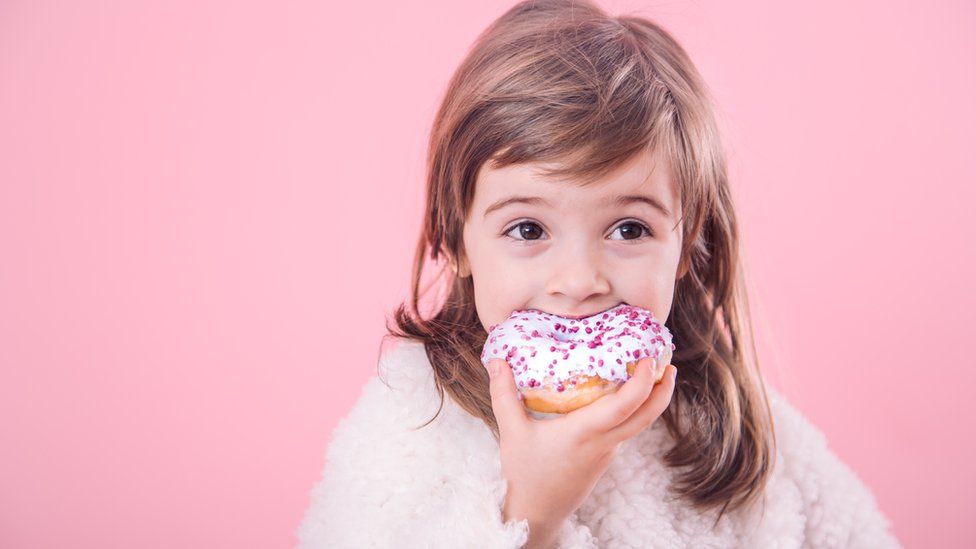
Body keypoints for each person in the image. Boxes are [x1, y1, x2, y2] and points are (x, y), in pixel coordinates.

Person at [295, 0, 901, 547]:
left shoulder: (733, 422)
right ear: (457, 241)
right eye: (528, 230)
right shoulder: (411, 419)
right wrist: (530, 511)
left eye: (629, 230)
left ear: (686, 244)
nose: (579, 279)